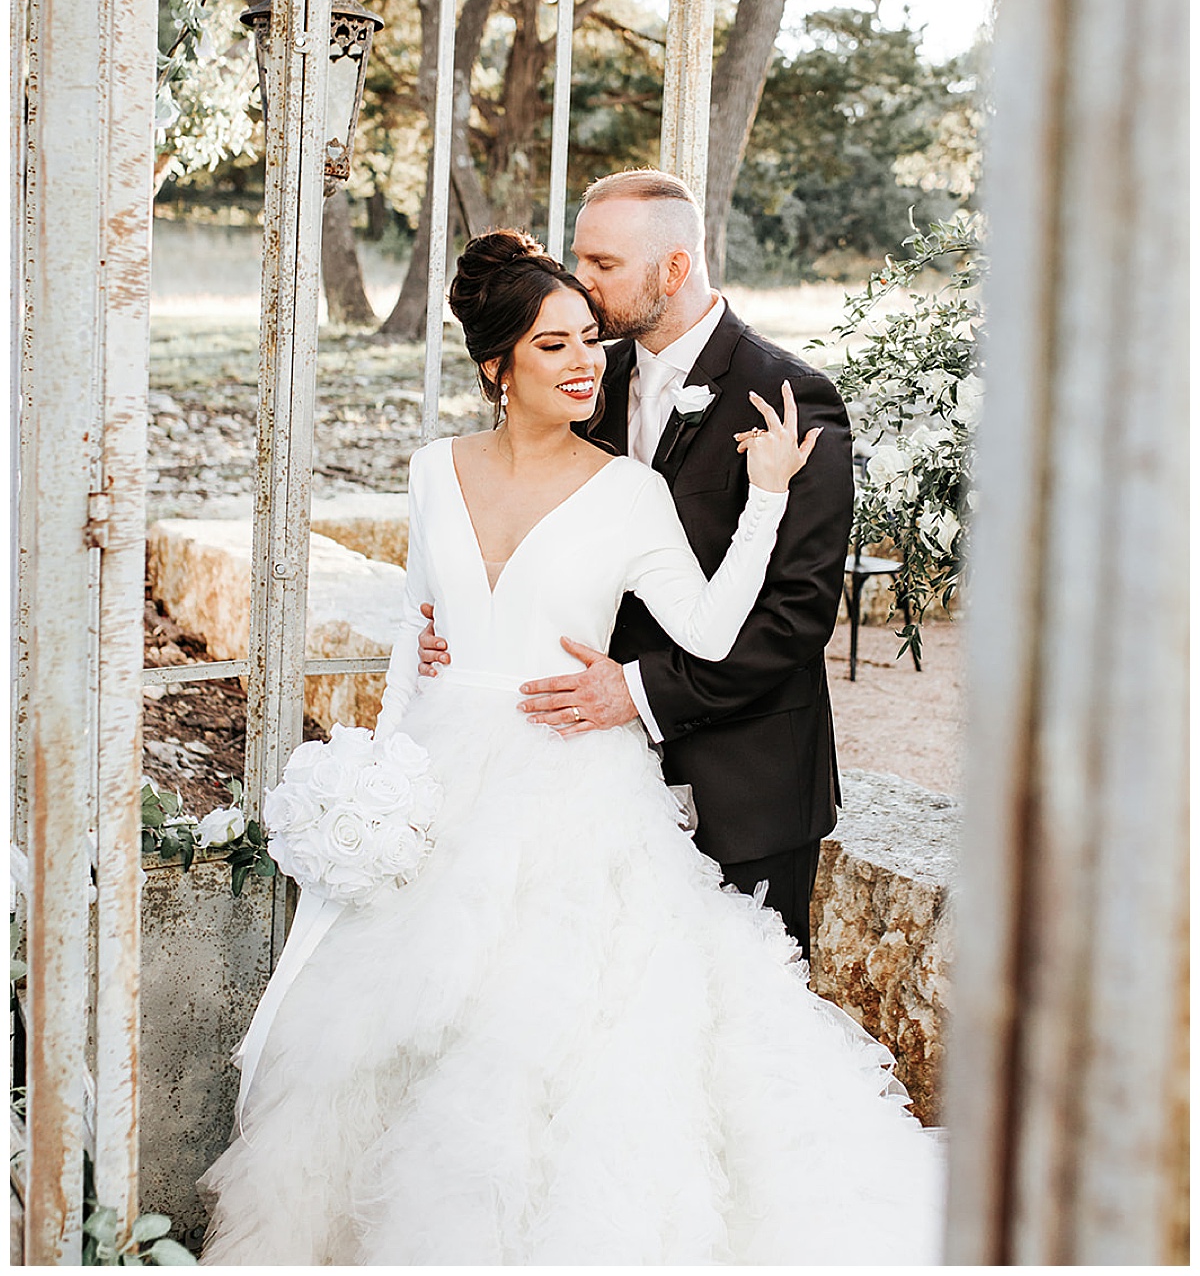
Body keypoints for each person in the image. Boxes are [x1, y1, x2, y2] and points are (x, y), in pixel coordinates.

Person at [200, 231, 941, 1265]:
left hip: (573, 789)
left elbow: (718, 629)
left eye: (592, 338)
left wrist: (766, 495)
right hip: (441, 779)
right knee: (390, 1031)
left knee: (541, 1039)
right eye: (556, 345)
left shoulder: (628, 491)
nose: (589, 360)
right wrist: (383, 773)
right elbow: (421, 630)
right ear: (499, 366)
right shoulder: (428, 471)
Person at [419, 170, 852, 957]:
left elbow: (796, 616)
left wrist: (637, 691)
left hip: (744, 788)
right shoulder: (585, 377)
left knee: (735, 1023)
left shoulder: (789, 394)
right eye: (579, 258)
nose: (580, 281)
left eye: (602, 264)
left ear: (674, 270)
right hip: (584, 788)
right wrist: (457, 629)